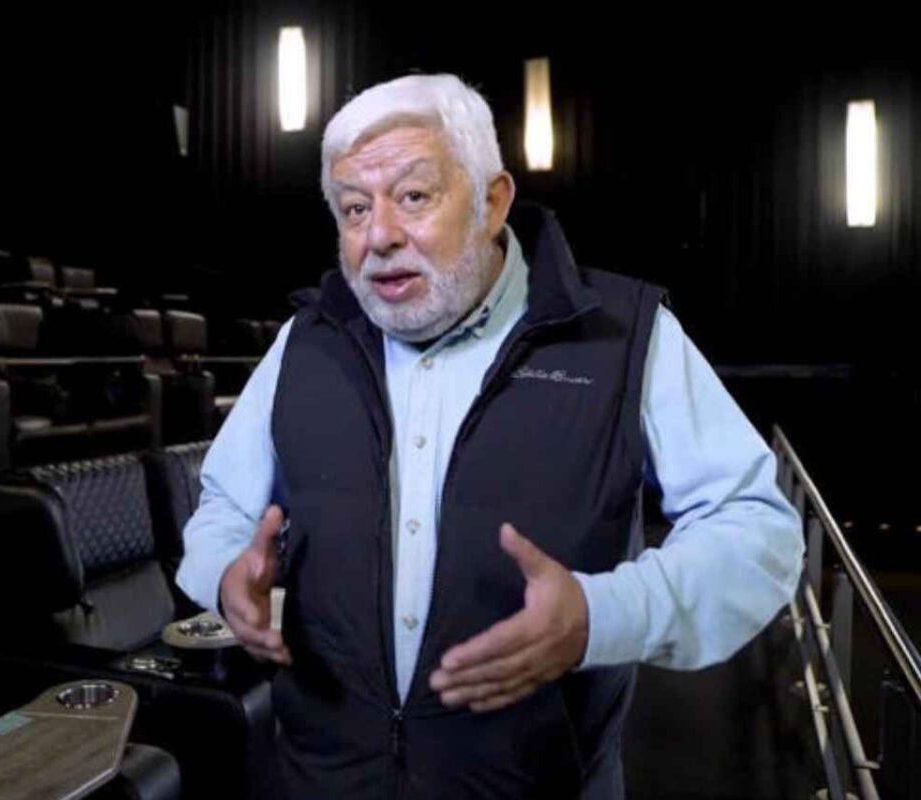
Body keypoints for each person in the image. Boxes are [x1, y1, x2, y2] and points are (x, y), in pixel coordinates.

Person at [176, 73, 803, 799]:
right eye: (354, 208)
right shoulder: (303, 343)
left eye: (414, 196)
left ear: (492, 201)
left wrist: (604, 614)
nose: (380, 236)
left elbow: (755, 527)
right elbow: (224, 506)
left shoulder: (623, 335)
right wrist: (226, 573)